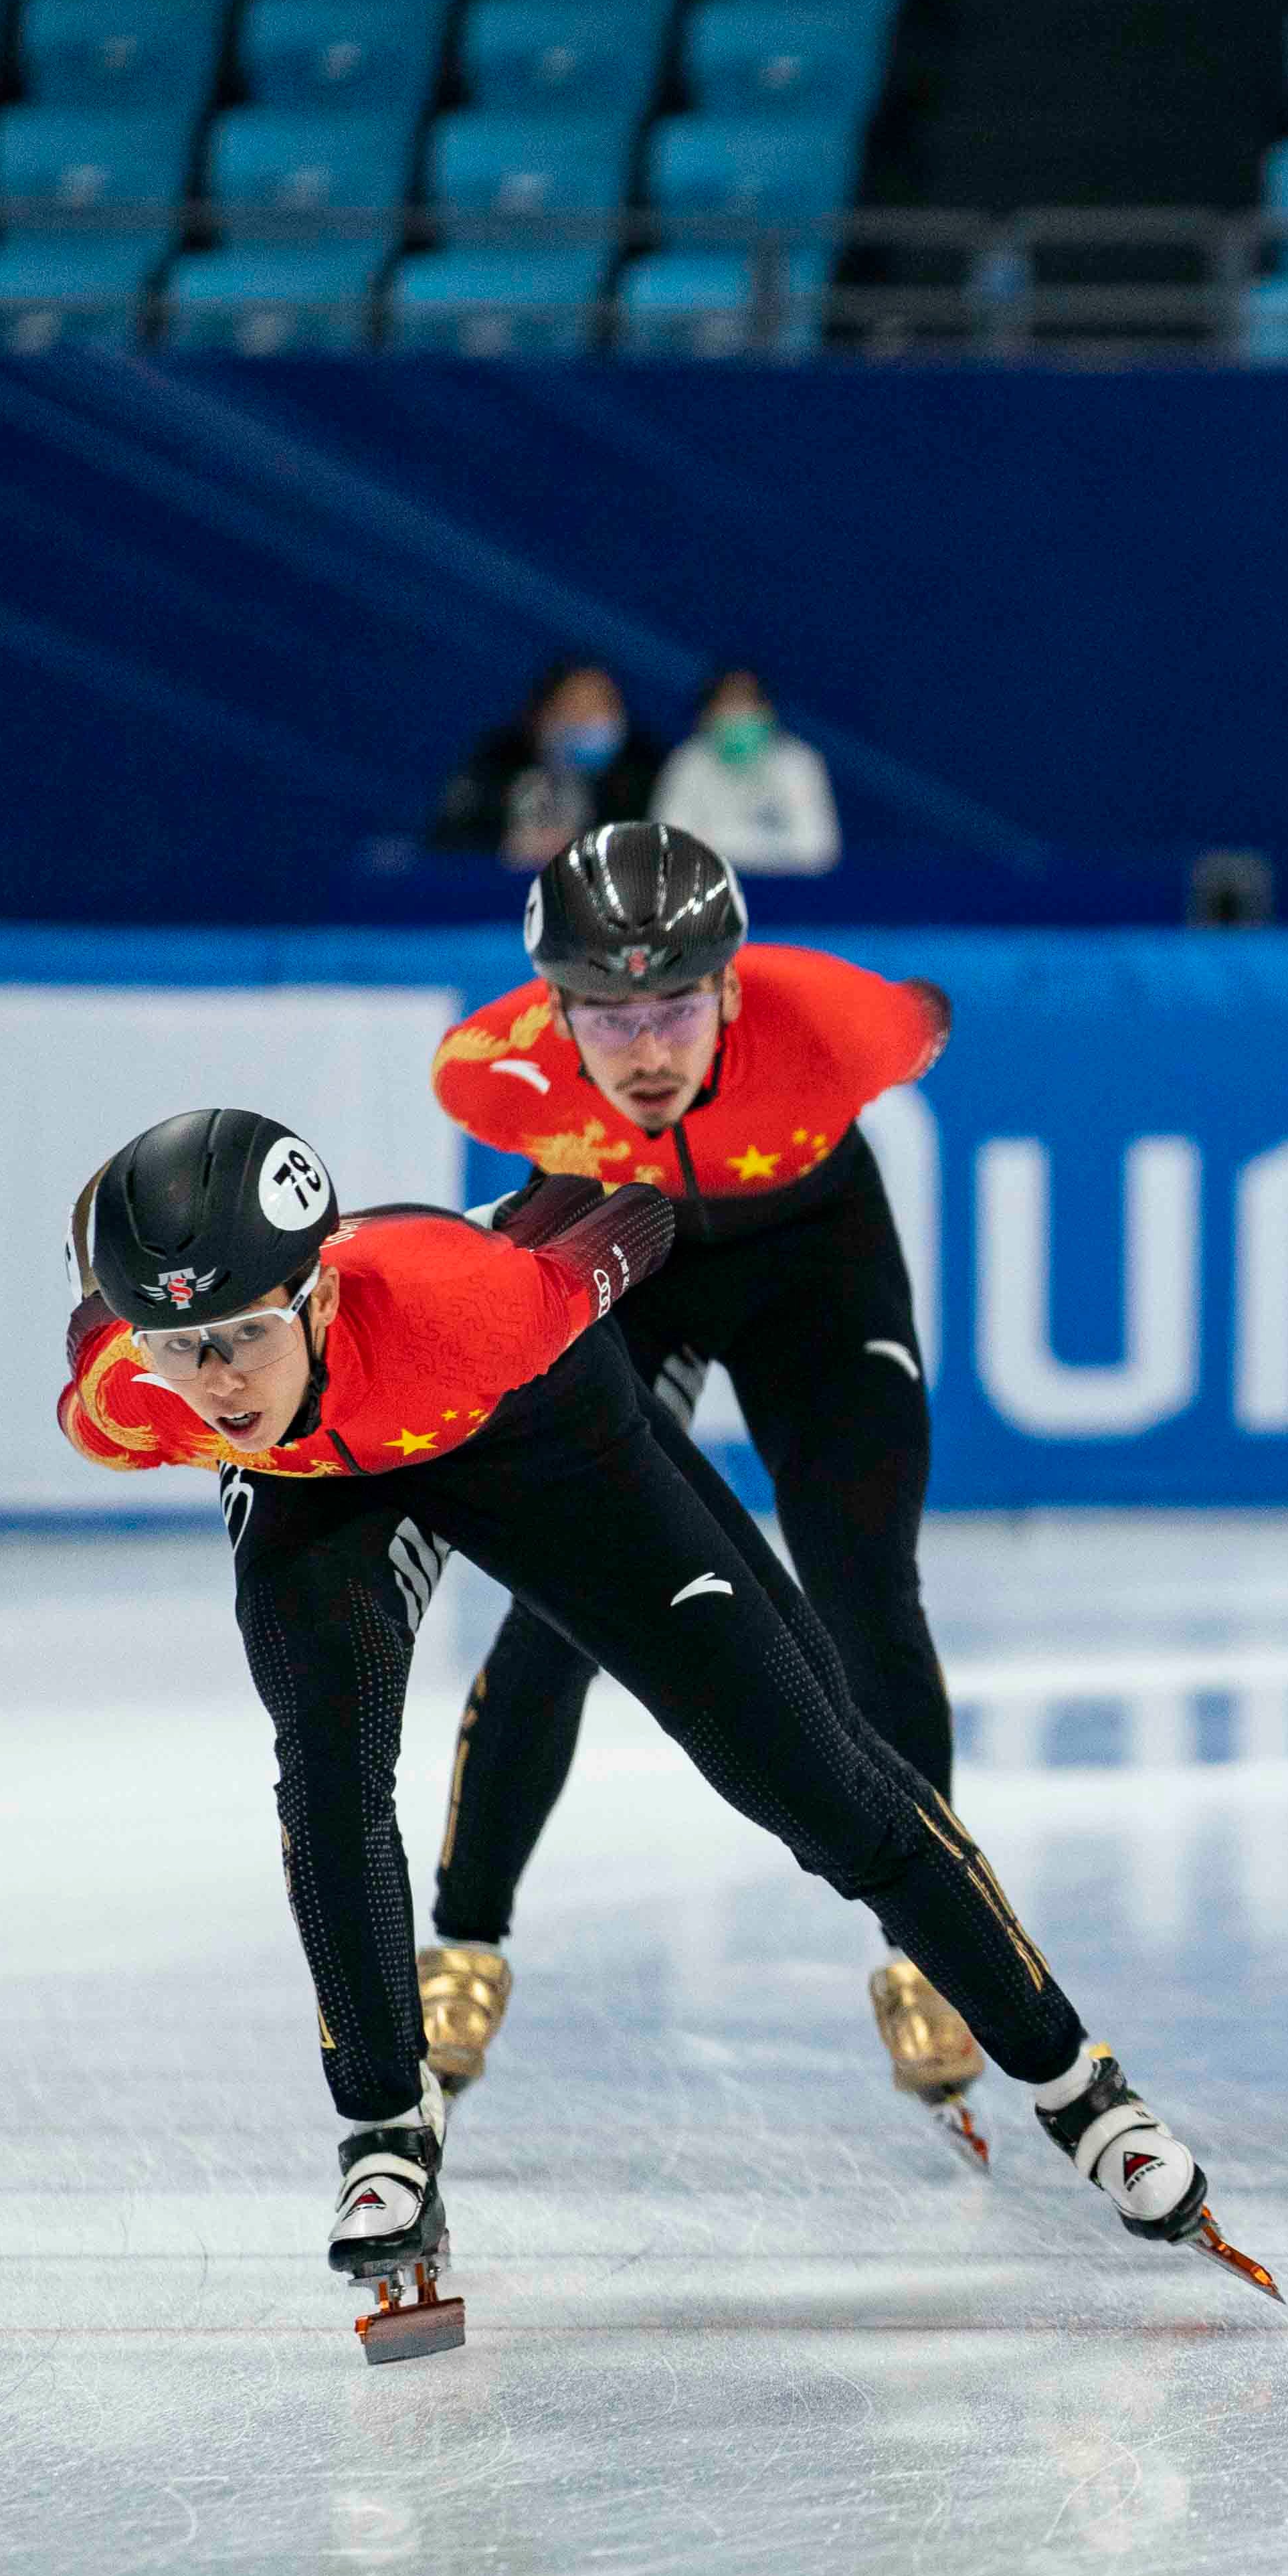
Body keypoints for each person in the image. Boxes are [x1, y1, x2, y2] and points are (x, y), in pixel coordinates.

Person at [54, 1108, 1271, 2355]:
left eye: (246, 1335)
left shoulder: (488, 1304)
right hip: (325, 1492)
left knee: (817, 1775)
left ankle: (1080, 2090)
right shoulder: (127, 1398)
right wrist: (160, 1328)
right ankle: (384, 2136)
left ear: (310, 1295)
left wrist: (569, 1221)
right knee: (325, 1775)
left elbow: (623, 1214)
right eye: (182, 1347)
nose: (219, 1381)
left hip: (532, 1427)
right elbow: (117, 1334)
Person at [413, 822, 972, 2152]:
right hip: (628, 1255)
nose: (648, 1046)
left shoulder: (845, 1024)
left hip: (813, 1265)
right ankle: (464, 1946)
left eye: (673, 1003)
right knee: (568, 1603)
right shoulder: (488, 1079)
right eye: (607, 1011)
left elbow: (928, 1014)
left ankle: (935, 1945)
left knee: (859, 1579)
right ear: (555, 1008)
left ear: (731, 986)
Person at [429, 661, 664, 870]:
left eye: (600, 707)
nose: (586, 721)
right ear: (544, 714)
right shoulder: (497, 766)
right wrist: (506, 846)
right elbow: (449, 841)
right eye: (575, 706)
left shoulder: (644, 777)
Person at [652, 665, 843, 875]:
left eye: (746, 703)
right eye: (728, 704)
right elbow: (667, 843)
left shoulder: (799, 763)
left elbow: (819, 850)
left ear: (768, 712)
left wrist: (724, 841)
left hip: (786, 893)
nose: (738, 715)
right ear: (706, 715)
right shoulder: (687, 762)